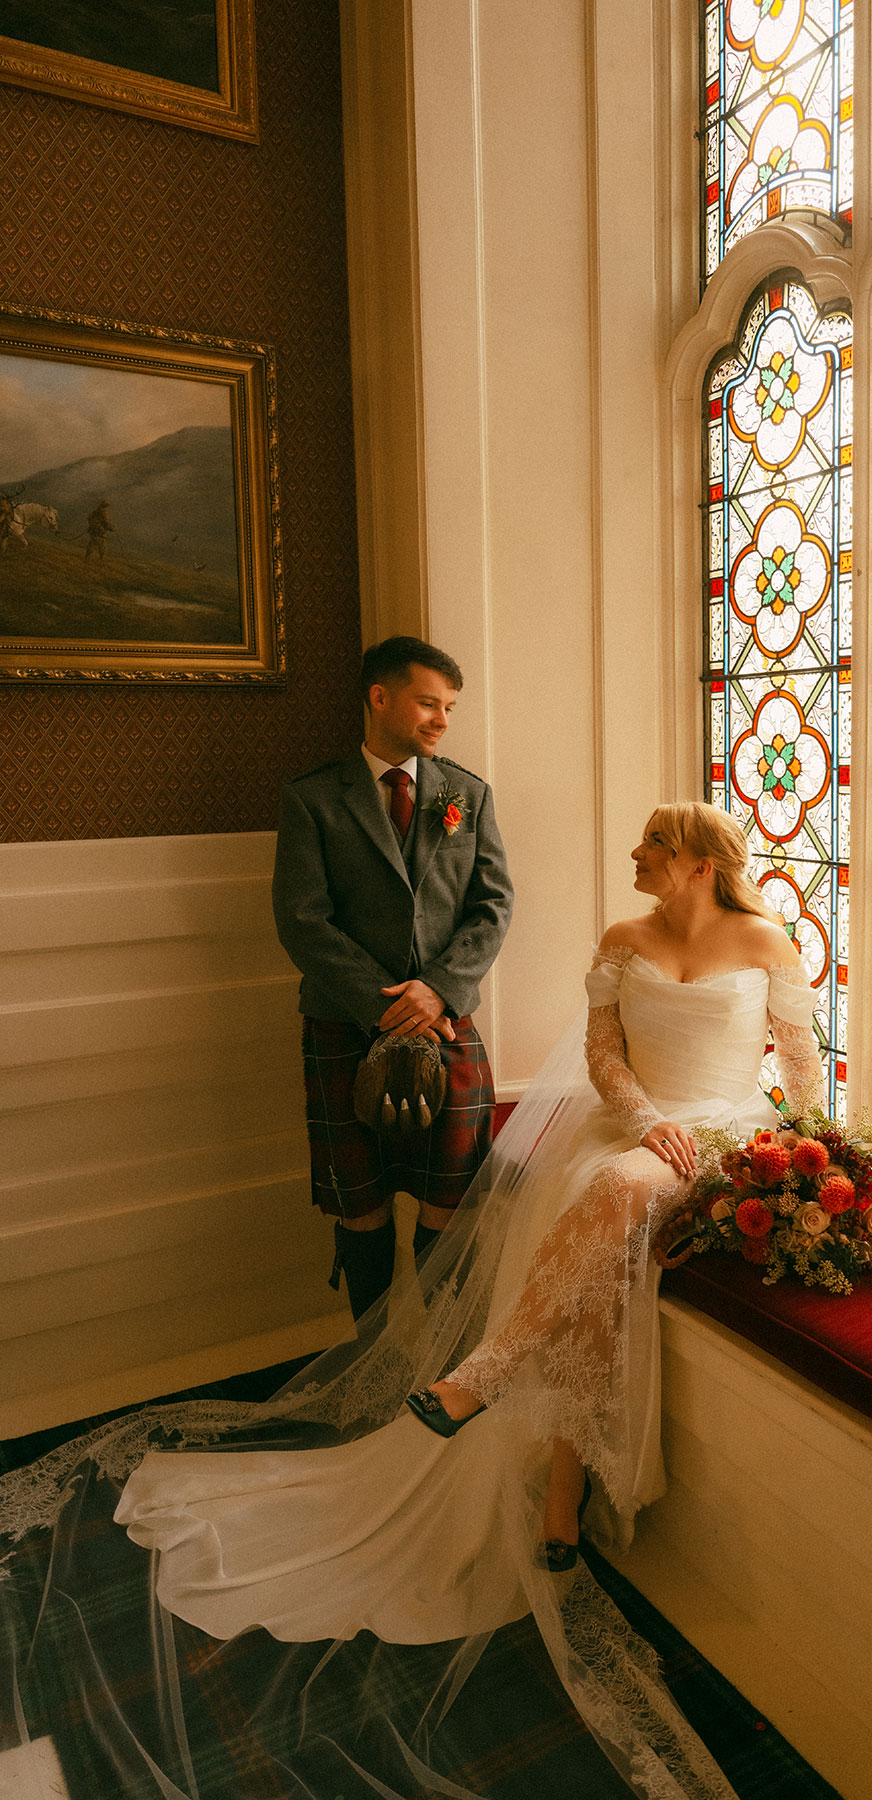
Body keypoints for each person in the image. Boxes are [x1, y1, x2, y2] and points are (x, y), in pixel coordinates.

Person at [0, 804, 820, 1800]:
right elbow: (605, 1062)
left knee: (605, 1200)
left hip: (726, 1134)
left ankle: (483, 1375)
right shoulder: (622, 941)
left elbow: (801, 1065)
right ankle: (560, 1508)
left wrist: (810, 1166)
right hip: (638, 1131)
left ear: (695, 863)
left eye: (652, 847)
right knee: (596, 1259)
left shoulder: (768, 938)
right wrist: (643, 1117)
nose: (636, 858)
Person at [272, 634, 513, 1322]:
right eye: (429, 703)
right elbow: (302, 920)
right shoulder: (312, 798)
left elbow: (494, 906)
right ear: (380, 697)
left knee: (454, 1193)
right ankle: (374, 1369)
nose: (442, 719)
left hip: (446, 1020)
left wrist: (437, 989)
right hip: (345, 1023)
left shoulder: (469, 793)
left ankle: (440, 1367)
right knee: (362, 1204)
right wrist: (386, 1007)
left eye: (450, 707)